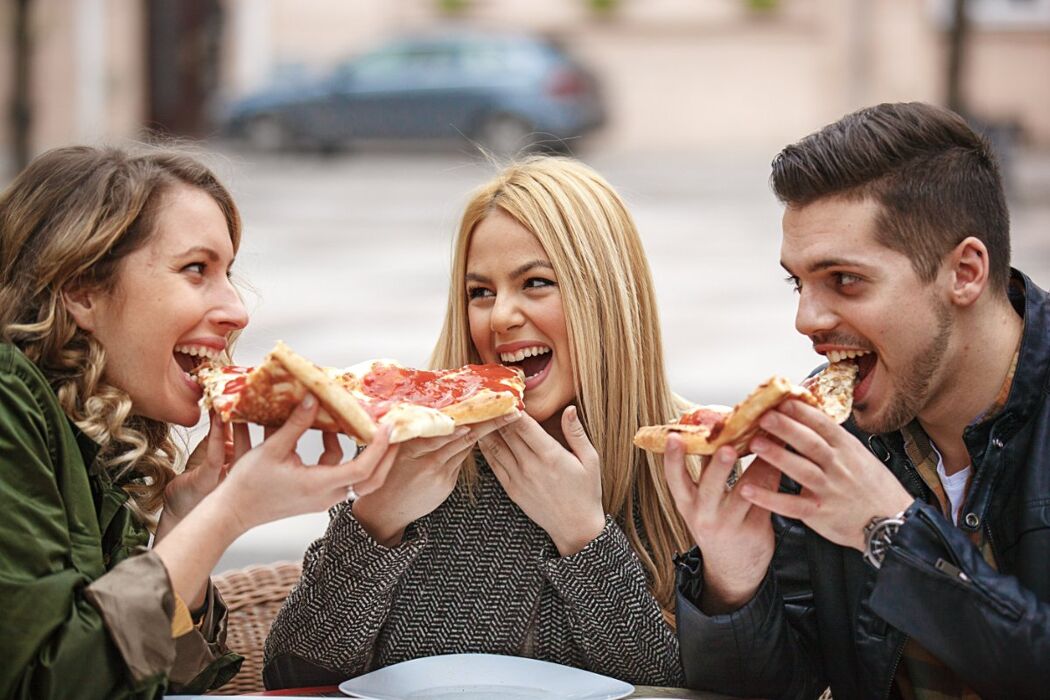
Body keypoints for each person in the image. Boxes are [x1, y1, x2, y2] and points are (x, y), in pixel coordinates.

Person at [667, 101, 1050, 699]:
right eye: (799, 282)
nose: (805, 319)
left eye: (845, 280)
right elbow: (772, 687)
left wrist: (892, 534)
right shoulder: (836, 433)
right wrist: (734, 584)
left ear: (966, 272)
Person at [264, 156, 693, 688]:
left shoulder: (691, 461)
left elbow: (693, 687)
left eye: (535, 283)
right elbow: (290, 676)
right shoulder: (413, 446)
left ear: (604, 297)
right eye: (480, 292)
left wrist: (583, 535)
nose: (500, 317)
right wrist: (374, 523)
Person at [0, 145, 399, 699]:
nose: (238, 309)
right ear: (81, 291)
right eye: (196, 269)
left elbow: (168, 683)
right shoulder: (6, 404)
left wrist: (189, 518)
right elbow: (53, 685)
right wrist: (230, 516)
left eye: (228, 272)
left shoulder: (91, 431)